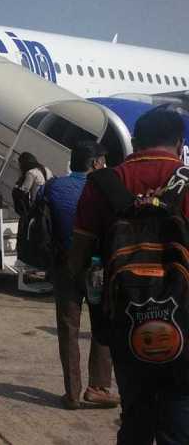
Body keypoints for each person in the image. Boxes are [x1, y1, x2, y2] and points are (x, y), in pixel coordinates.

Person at [71, 107, 189, 443]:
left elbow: (78, 256)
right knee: (179, 412)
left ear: (135, 143)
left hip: (126, 319)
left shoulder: (103, 184)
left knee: (135, 414)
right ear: (180, 144)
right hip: (185, 322)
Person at [44, 141, 118, 410]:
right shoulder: (103, 189)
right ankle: (98, 388)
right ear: (96, 163)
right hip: (97, 267)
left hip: (64, 266)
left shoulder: (52, 187)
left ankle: (72, 393)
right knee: (102, 326)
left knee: (68, 329)